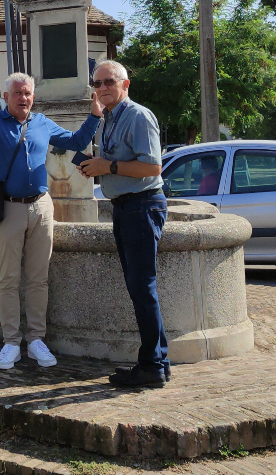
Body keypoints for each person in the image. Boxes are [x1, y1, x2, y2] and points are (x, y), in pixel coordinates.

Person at [0, 67, 103, 369]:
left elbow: (76, 142)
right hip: (8, 208)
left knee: (38, 278)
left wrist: (95, 115)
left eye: (28, 93)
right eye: (18, 93)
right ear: (6, 96)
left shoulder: (42, 123)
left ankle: (36, 340)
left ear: (33, 97)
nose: (24, 97)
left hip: (41, 207)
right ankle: (11, 342)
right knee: (8, 279)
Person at [77, 60, 170, 388]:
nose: (102, 88)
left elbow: (153, 167)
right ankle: (159, 363)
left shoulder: (138, 116)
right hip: (126, 207)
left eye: (109, 82)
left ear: (125, 84)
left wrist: (108, 166)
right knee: (140, 288)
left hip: (141, 206)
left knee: (142, 288)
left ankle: (151, 366)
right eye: (97, 83)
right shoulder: (109, 118)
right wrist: (96, 166)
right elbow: (117, 161)